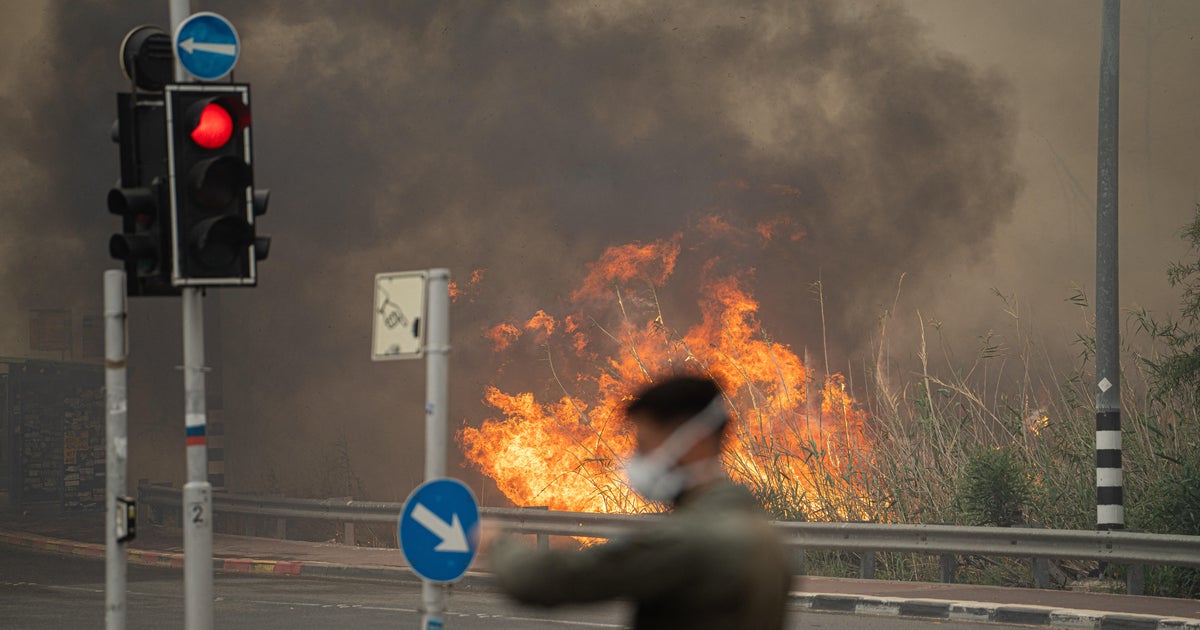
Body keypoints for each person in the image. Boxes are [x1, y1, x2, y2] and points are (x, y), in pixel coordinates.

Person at [482, 375, 792, 629]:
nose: (637, 458)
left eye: (644, 444)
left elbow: (557, 579)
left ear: (695, 443)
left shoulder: (689, 540)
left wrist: (497, 544)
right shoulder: (761, 533)